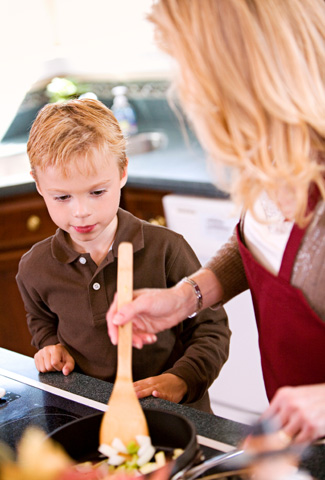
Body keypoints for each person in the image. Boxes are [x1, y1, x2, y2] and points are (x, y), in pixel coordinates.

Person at [107, 0, 325, 444]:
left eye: (188, 68)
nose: (183, 91)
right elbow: (264, 245)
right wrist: (187, 296)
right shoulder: (275, 158)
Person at [15, 98, 231, 413]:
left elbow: (211, 328)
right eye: (62, 197)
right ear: (38, 184)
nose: (81, 212)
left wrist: (182, 380)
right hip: (87, 413)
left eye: (97, 192)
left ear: (123, 172)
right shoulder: (34, 268)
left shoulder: (166, 249)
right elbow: (41, 319)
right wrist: (51, 346)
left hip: (175, 415)